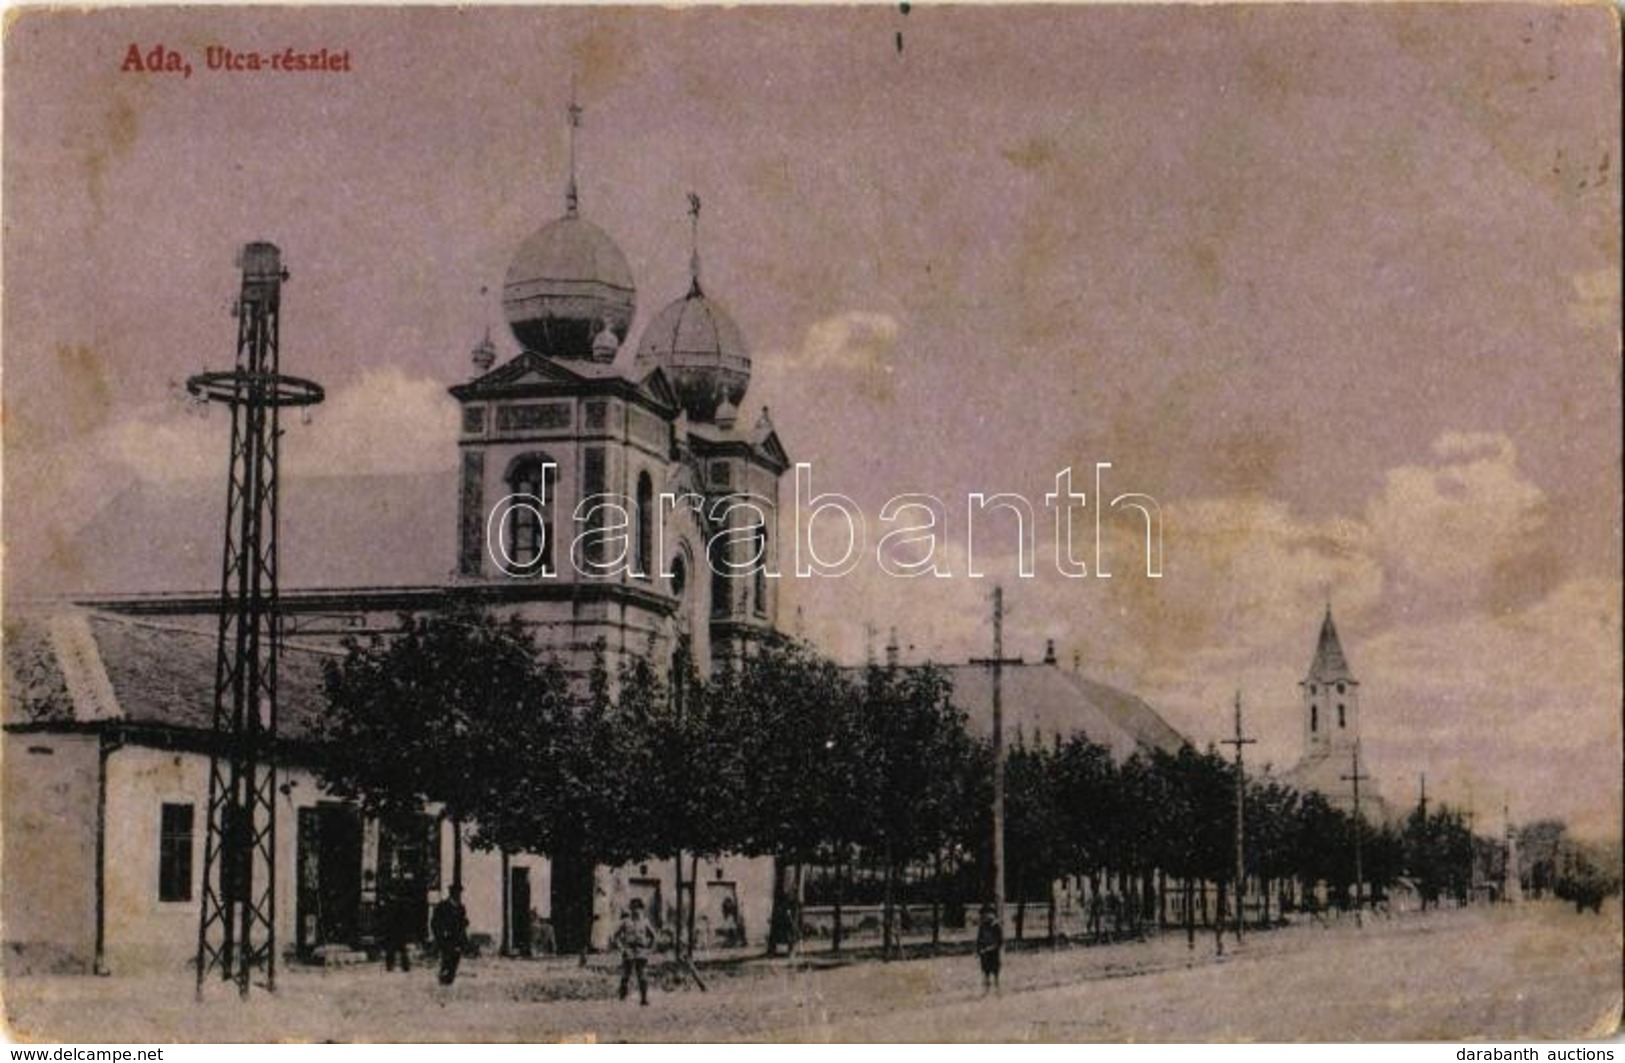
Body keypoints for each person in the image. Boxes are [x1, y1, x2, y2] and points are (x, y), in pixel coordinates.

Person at [610, 898, 656, 1005]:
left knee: (642, 975)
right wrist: (621, 948)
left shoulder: (645, 922)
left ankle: (644, 999)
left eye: (638, 908)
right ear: (630, 909)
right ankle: (622, 996)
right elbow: (615, 937)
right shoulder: (626, 922)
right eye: (634, 908)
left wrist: (649, 949)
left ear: (642, 909)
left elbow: (653, 936)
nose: (636, 911)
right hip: (629, 950)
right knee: (626, 974)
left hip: (641, 950)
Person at [431, 884, 469, 986]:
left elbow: (462, 924)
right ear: (451, 894)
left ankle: (449, 978)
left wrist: (465, 924)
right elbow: (435, 922)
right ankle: (444, 978)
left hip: (457, 938)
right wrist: (440, 933)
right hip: (446, 938)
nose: (458, 896)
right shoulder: (443, 906)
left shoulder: (461, 907)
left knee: (455, 958)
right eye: (456, 893)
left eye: (459, 894)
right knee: (446, 957)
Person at [382, 880, 416, 973]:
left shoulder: (396, 904)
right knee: (398, 949)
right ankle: (401, 966)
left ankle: (398, 966)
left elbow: (394, 917)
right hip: (396, 930)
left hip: (396, 929)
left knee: (396, 949)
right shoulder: (397, 903)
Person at [975, 903, 1002, 994]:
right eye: (985, 914)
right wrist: (978, 950)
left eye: (989, 913)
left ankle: (997, 988)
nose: (987, 916)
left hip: (993, 953)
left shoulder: (996, 926)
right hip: (984, 953)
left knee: (995, 971)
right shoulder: (982, 927)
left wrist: (990, 948)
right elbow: (979, 939)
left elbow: (999, 941)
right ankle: (986, 989)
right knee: (985, 971)